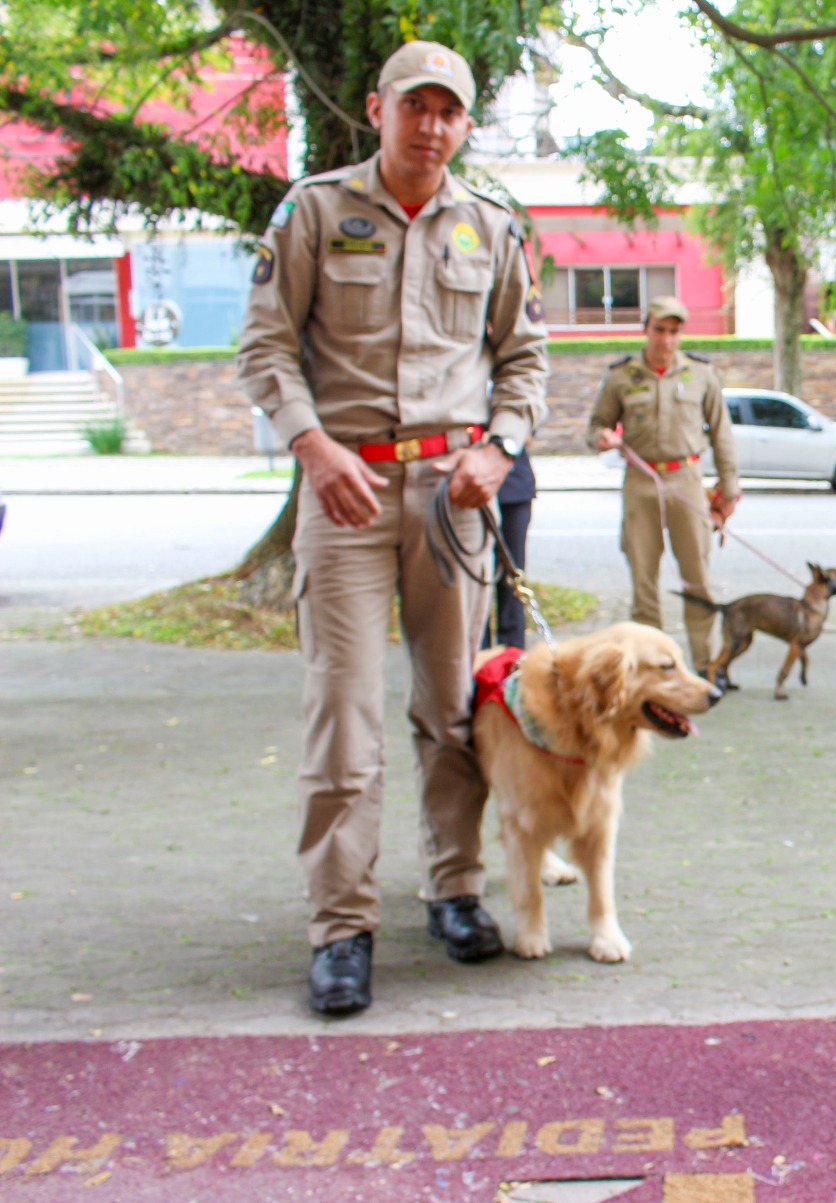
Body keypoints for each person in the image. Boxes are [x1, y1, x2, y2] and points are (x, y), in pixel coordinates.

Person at [236, 39, 549, 1017]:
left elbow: (526, 359)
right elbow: (265, 346)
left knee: (452, 707)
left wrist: (499, 450)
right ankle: (342, 926)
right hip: (347, 494)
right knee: (344, 713)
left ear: (465, 123)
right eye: (415, 105)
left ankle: (454, 889)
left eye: (448, 110)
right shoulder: (316, 211)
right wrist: (311, 446)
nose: (431, 125)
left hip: (453, 501)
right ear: (377, 109)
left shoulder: (491, 226)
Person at [587, 296, 740, 675]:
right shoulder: (622, 376)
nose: (667, 339)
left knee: (697, 577)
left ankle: (706, 666)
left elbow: (722, 435)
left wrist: (729, 489)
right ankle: (651, 669)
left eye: (675, 331)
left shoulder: (701, 374)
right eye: (660, 330)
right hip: (640, 480)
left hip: (686, 480)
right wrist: (601, 438)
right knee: (644, 578)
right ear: (646, 329)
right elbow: (595, 426)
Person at [485, 442, 537, 649]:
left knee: (513, 578)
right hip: (468, 488)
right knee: (474, 584)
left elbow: (526, 433)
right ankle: (476, 658)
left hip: (513, 487)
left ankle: (512, 656)